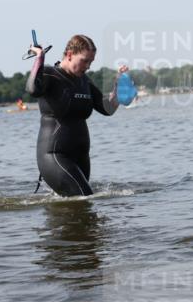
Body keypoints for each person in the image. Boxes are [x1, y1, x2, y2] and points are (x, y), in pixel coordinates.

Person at [26, 34, 128, 196]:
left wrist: (118, 87)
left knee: (79, 211)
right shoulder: (49, 75)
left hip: (81, 157)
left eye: (91, 62)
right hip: (54, 155)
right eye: (85, 60)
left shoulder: (84, 81)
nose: (88, 66)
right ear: (69, 55)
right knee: (85, 197)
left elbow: (107, 109)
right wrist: (40, 58)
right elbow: (33, 89)